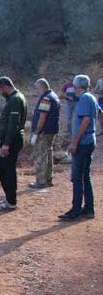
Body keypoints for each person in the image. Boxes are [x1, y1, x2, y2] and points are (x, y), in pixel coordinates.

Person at [59, 74, 98, 220]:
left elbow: (86, 120)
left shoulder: (84, 99)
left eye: (74, 86)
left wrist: (74, 141)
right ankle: (88, 209)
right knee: (85, 176)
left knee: (77, 177)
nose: (73, 89)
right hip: (89, 140)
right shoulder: (91, 97)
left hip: (83, 142)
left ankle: (75, 210)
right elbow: (99, 113)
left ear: (78, 86)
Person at [0, 77, 27, 211]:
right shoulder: (16, 98)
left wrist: (6, 144)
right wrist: (1, 120)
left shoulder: (15, 99)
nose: (0, 93)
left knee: (5, 169)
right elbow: (11, 120)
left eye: (0, 90)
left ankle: (11, 201)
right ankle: (9, 198)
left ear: (5, 87)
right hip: (12, 138)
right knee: (5, 168)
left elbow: (14, 123)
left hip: (12, 140)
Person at [29, 78, 60, 189]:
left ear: (41, 87)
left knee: (41, 155)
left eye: (37, 88)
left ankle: (41, 181)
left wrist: (36, 132)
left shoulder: (46, 98)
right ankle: (48, 179)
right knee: (48, 153)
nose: (36, 91)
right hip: (51, 131)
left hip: (44, 132)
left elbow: (43, 117)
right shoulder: (54, 96)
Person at [59, 77, 78, 162]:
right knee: (69, 118)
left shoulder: (76, 85)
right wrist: (67, 97)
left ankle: (75, 130)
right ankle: (69, 130)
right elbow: (62, 93)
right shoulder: (66, 85)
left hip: (76, 102)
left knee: (77, 116)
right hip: (68, 102)